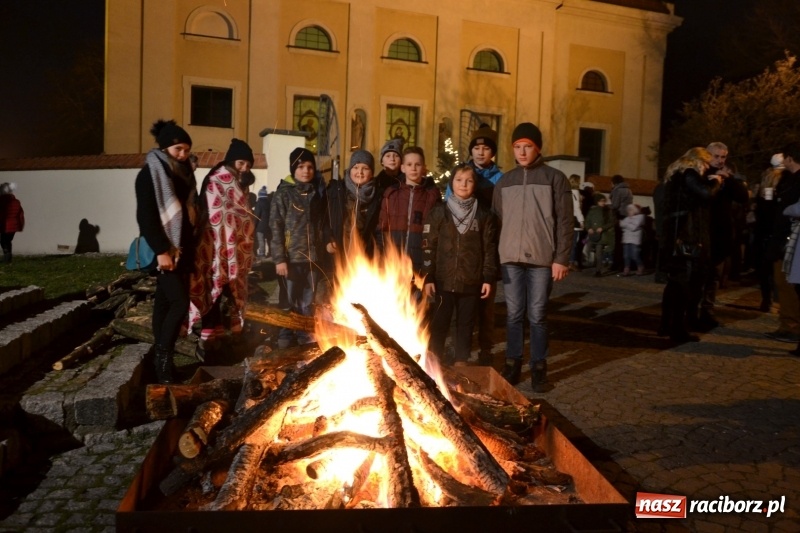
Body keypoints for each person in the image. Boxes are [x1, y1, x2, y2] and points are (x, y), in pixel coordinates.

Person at [493, 122, 572, 391]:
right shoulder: (505, 181)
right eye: (517, 147)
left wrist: (561, 258)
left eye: (528, 146)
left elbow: (565, 221)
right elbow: (497, 221)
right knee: (513, 314)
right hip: (510, 259)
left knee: (537, 315)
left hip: (542, 258)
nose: (522, 152)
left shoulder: (554, 178)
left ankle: (538, 366)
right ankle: (512, 363)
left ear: (537, 148)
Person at [135, 119, 196, 383]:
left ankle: (159, 366)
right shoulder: (150, 173)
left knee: (163, 302)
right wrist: (162, 250)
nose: (183, 154)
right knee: (179, 303)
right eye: (178, 149)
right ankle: (163, 362)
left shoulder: (184, 173)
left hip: (183, 249)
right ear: (164, 148)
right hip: (165, 249)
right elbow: (146, 217)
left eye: (186, 149)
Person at [422, 164, 498, 366]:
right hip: (443, 279)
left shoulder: (484, 215)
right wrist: (428, 276)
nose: (463, 184)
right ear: (451, 183)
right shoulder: (439, 212)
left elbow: (489, 249)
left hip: (471, 279)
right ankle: (434, 361)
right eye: (459, 180)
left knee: (466, 323)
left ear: (475, 184)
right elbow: (429, 245)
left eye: (469, 180)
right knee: (440, 322)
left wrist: (488, 277)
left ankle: (461, 360)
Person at [188, 139, 257, 352]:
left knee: (233, 288)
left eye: (248, 165)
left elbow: (242, 214)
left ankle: (232, 334)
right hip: (213, 244)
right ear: (231, 161)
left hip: (235, 245)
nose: (244, 168)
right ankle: (210, 337)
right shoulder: (216, 180)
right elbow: (213, 212)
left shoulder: (240, 183)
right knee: (213, 286)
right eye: (241, 163)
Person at [444, 124, 504, 365]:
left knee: (486, 306)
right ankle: (457, 347)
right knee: (458, 304)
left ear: (492, 153)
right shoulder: (461, 175)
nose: (480, 152)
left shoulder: (500, 179)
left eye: (486, 148)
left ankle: (486, 349)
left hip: (487, 246)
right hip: (461, 250)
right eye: (477, 148)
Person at [657, 147, 721, 344]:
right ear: (698, 161)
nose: (707, 168)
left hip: (674, 237)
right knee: (684, 287)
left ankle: (666, 324)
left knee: (674, 284)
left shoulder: (673, 176)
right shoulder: (689, 173)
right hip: (686, 238)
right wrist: (716, 182)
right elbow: (705, 194)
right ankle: (677, 330)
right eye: (706, 164)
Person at [271, 147, 327, 349]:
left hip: (312, 258)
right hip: (291, 258)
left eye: (310, 167)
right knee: (289, 301)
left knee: (307, 302)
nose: (306, 171)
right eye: (301, 167)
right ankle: (285, 338)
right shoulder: (284, 194)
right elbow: (275, 227)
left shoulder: (317, 193)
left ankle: (304, 339)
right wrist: (279, 259)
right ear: (293, 169)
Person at [693, 142, 749, 330]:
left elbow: (743, 197)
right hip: (701, 233)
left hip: (719, 236)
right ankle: (691, 312)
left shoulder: (727, 178)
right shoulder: (699, 174)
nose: (720, 160)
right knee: (698, 276)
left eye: (723, 157)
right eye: (716, 156)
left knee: (713, 276)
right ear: (707, 155)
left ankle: (707, 311)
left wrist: (729, 179)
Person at [377, 146, 441, 276]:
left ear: (424, 168)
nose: (413, 168)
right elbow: (382, 228)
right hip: (393, 262)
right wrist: (382, 257)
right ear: (402, 168)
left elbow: (436, 232)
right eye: (409, 164)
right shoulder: (391, 193)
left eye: (417, 164)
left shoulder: (432, 195)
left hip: (419, 262)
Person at [766, 143, 800, 343]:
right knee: (782, 282)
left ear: (789, 158)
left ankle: (792, 326)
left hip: (791, 239)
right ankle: (787, 323)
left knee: (788, 283)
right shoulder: (789, 179)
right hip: (783, 237)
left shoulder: (796, 181)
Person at [326, 150, 383, 261]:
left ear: (372, 173)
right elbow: (325, 221)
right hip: (339, 254)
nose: (360, 172)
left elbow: (379, 228)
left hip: (364, 257)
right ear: (350, 170)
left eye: (365, 168)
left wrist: (378, 251)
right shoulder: (337, 191)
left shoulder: (378, 196)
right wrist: (328, 240)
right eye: (355, 167)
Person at [753, 153, 784, 312]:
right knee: (777, 268)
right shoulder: (782, 184)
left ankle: (766, 299)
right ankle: (776, 300)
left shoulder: (764, 185)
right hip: (775, 232)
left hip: (763, 232)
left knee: (765, 268)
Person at [584, 193, 615, 277]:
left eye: (604, 201)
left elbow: (611, 222)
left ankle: (598, 270)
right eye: (601, 201)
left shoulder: (607, 211)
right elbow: (587, 221)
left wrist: (602, 228)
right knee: (588, 250)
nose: (603, 203)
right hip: (592, 234)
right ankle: (590, 263)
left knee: (599, 253)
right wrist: (588, 228)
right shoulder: (592, 211)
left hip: (601, 235)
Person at [0, 183, 24, 263]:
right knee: (8, 241)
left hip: (4, 225)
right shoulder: (16, 202)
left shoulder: (1, 201)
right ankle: (8, 257)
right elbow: (20, 215)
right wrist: (20, 225)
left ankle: (7, 257)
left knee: (3, 241)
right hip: (14, 226)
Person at [619, 203, 645, 276]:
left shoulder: (640, 218)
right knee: (626, 256)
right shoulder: (627, 218)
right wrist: (626, 225)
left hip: (634, 240)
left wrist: (625, 225)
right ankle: (626, 269)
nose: (629, 211)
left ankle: (640, 266)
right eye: (628, 210)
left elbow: (633, 227)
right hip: (626, 239)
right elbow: (621, 225)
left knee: (634, 255)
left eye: (631, 210)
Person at [568, 174, 585, 272]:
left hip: (567, 219)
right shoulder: (575, 193)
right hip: (574, 220)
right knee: (574, 242)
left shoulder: (567, 192)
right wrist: (581, 220)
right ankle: (571, 262)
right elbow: (577, 208)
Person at [254, 185, 271, 261]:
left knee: (261, 240)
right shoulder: (269, 203)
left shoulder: (259, 203)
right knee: (269, 240)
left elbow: (257, 215)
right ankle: (270, 252)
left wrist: (254, 225)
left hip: (260, 226)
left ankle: (262, 254)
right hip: (268, 225)